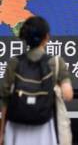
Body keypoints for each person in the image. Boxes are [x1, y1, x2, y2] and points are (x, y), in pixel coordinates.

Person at [0, 16, 73, 145]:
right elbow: (68, 95)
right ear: (47, 37)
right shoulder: (56, 62)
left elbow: (5, 100)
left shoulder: (14, 62)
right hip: (45, 127)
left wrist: (2, 133)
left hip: (16, 128)